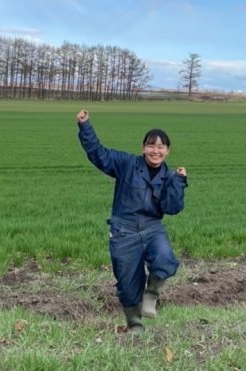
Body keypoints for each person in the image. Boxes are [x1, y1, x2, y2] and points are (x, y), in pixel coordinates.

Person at [76, 109, 188, 331]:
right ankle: (135, 325)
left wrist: (179, 182)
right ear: (143, 148)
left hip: (152, 228)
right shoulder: (126, 164)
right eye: (151, 145)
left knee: (165, 258)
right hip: (123, 230)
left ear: (167, 151)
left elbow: (173, 208)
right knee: (127, 282)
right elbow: (98, 153)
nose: (155, 151)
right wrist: (85, 126)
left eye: (160, 147)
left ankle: (152, 293)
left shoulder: (170, 177)